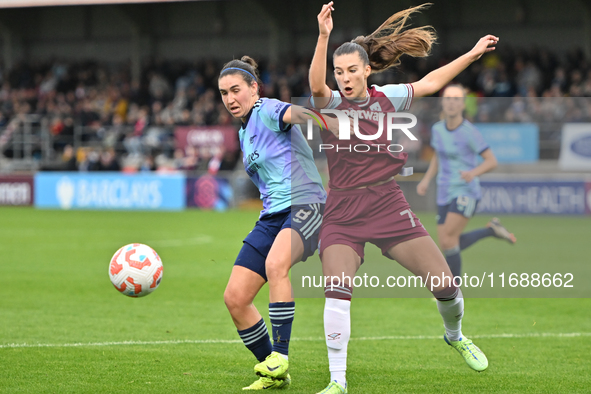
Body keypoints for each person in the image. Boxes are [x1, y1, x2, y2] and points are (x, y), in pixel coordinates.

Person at [309, 3, 498, 393]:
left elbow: (430, 83)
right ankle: (337, 381)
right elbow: (314, 86)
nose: (343, 78)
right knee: (337, 292)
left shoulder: (387, 98)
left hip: (387, 204)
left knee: (445, 286)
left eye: (351, 70)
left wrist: (472, 54)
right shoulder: (327, 103)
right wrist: (323, 36)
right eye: (338, 72)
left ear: (367, 71)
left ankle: (455, 335)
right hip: (342, 210)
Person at [218, 56, 329, 390]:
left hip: (307, 205)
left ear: (254, 88)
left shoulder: (267, 108)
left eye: (236, 90)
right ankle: (273, 370)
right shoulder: (243, 132)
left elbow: (296, 115)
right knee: (235, 297)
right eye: (224, 93)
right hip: (272, 216)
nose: (230, 98)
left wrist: (325, 120)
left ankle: (281, 353)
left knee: (276, 264)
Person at [417, 84, 516, 279]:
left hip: (465, 190)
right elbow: (438, 155)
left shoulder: (469, 132)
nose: (451, 103)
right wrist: (426, 179)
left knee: (449, 240)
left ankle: (453, 291)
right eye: (447, 98)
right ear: (442, 103)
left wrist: (473, 173)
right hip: (444, 190)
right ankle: (491, 230)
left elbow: (491, 161)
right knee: (446, 242)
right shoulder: (437, 129)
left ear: (463, 104)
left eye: (456, 99)